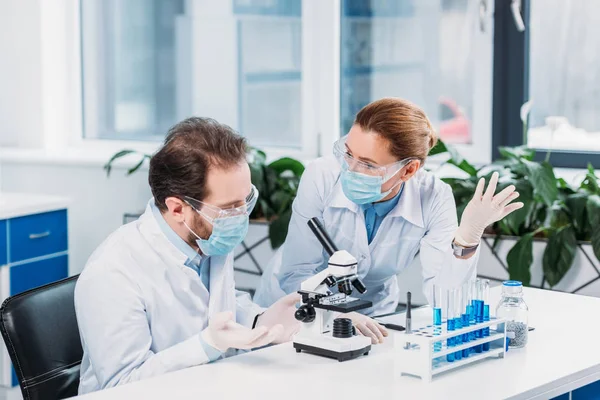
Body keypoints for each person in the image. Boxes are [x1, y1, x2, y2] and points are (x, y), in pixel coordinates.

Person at [255, 98, 523, 344]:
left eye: (369, 165)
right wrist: (336, 313)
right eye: (348, 154)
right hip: (291, 311)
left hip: (372, 315)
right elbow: (297, 271)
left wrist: (467, 238)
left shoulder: (434, 196)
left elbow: (446, 301)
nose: (351, 169)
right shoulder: (321, 176)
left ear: (408, 170)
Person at [75, 117, 300, 394]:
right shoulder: (113, 272)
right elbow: (122, 387)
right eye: (230, 208)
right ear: (178, 208)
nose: (241, 216)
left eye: (246, 200)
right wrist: (206, 345)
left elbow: (212, 306)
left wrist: (261, 320)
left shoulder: (207, 238)